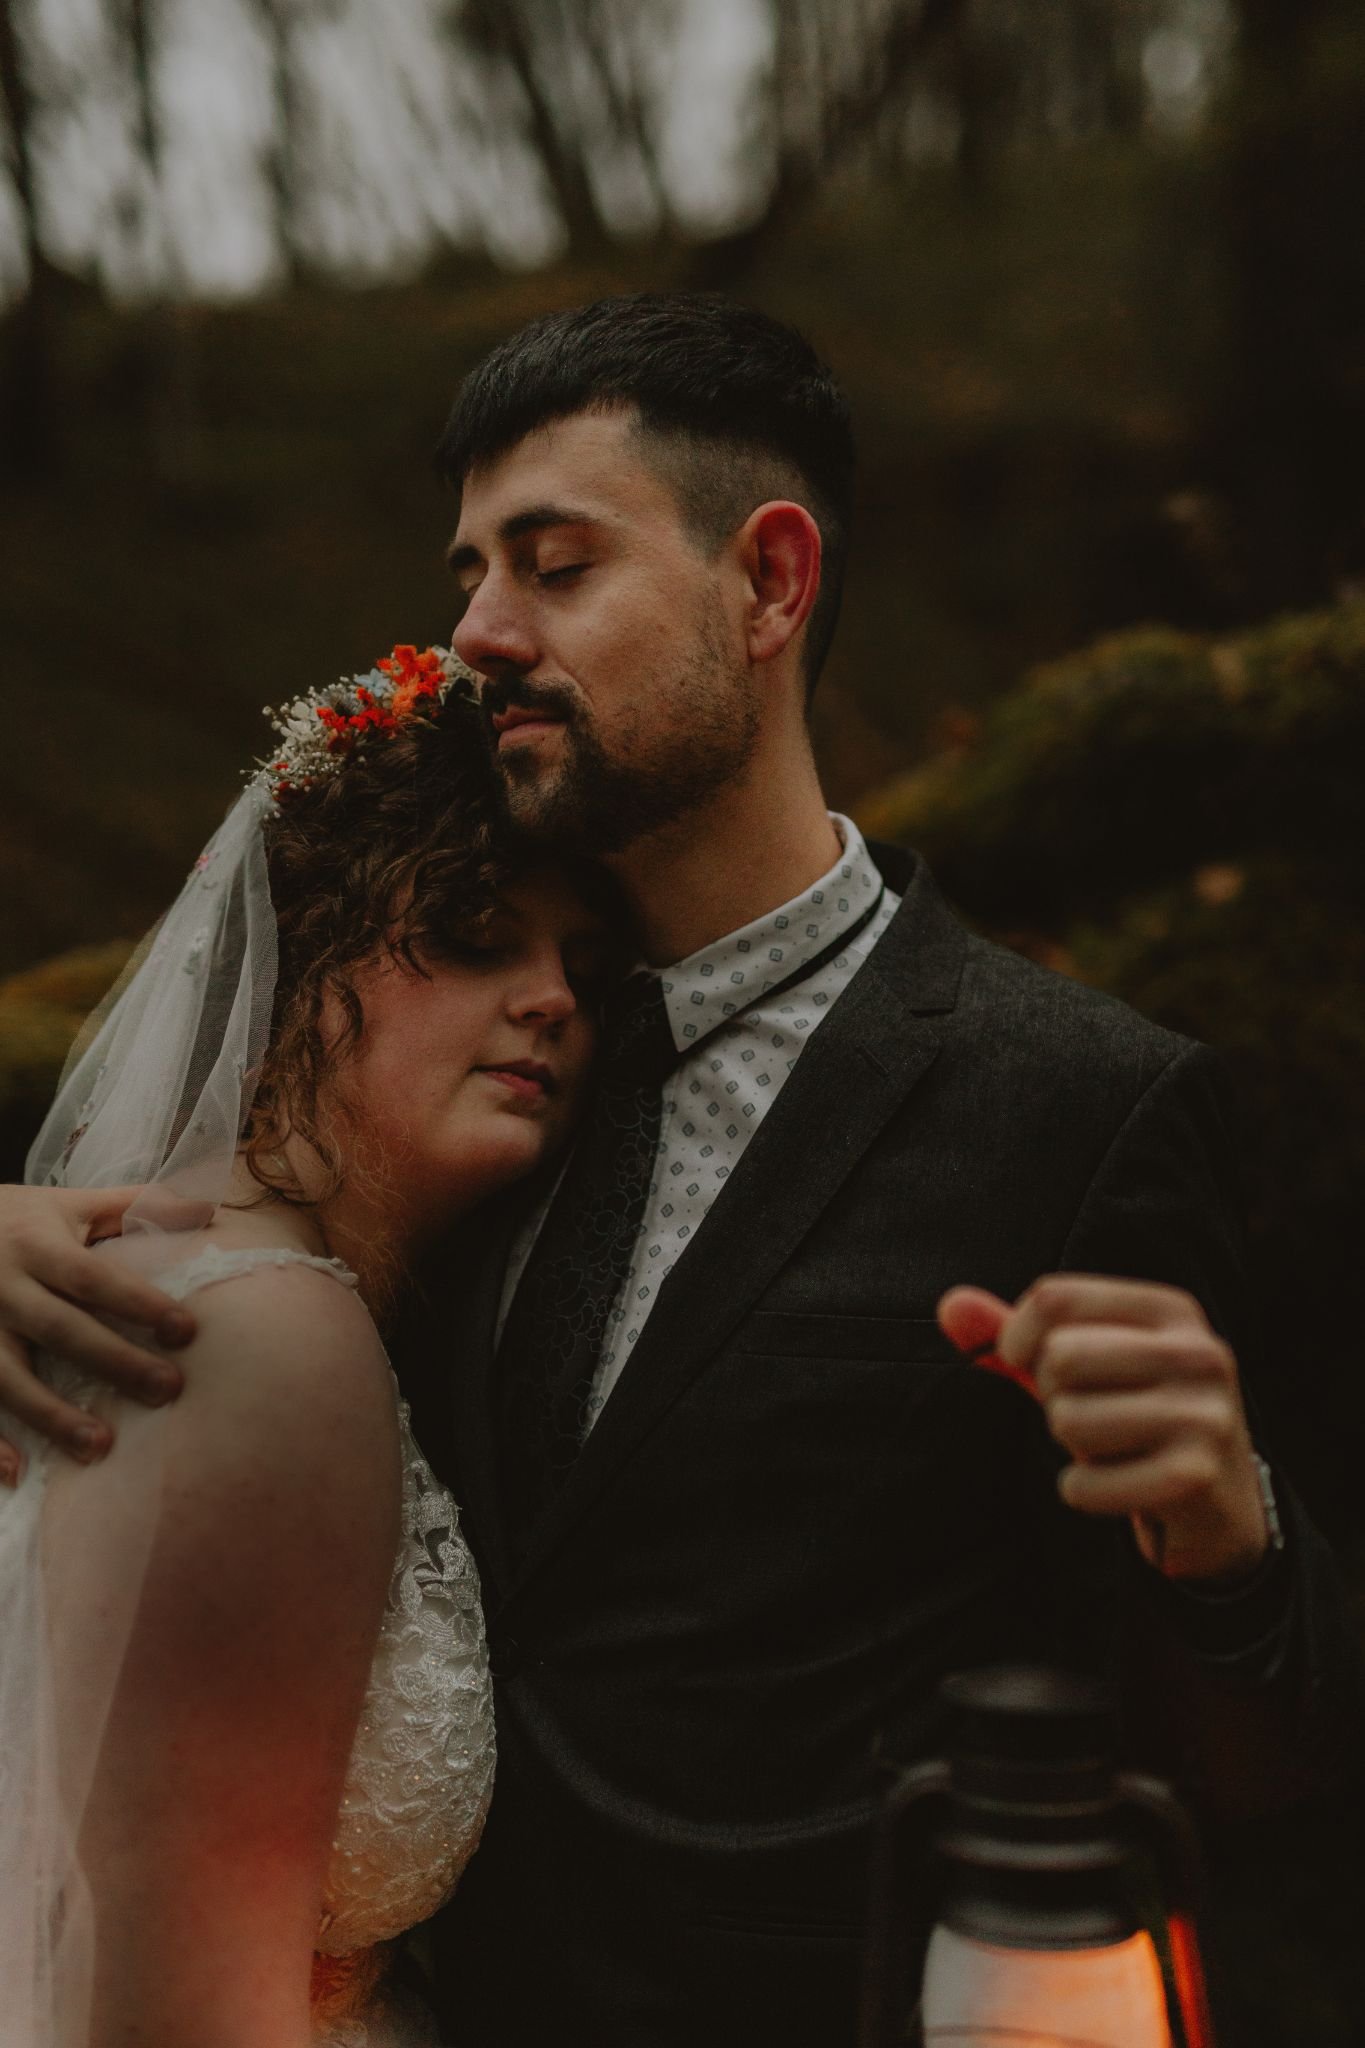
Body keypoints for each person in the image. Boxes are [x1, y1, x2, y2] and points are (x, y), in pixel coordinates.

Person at [0, 295, 1358, 2047]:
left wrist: (1232, 1539)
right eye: (470, 572)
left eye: (553, 565)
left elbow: (1246, 1779)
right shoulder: (451, 1077)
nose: (477, 631)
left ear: (769, 585)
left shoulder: (1076, 1108)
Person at [0, 649, 617, 2047]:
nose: (552, 998)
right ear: (299, 957)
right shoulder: (265, 1336)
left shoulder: (198, 1282)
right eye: (476, 935)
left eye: (583, 966)